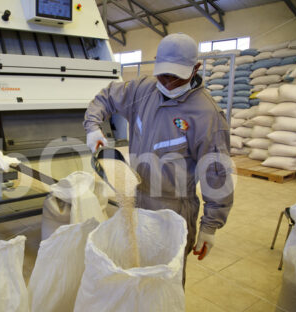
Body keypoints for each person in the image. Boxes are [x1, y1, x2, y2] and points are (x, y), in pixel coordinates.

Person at [83, 33, 234, 284]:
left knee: (165, 281)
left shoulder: (206, 115)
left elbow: (216, 174)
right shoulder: (143, 90)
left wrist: (210, 225)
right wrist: (93, 127)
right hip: (134, 200)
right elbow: (106, 97)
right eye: (163, 74)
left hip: (172, 210)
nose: (168, 82)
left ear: (195, 68)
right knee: (133, 270)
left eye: (176, 76)